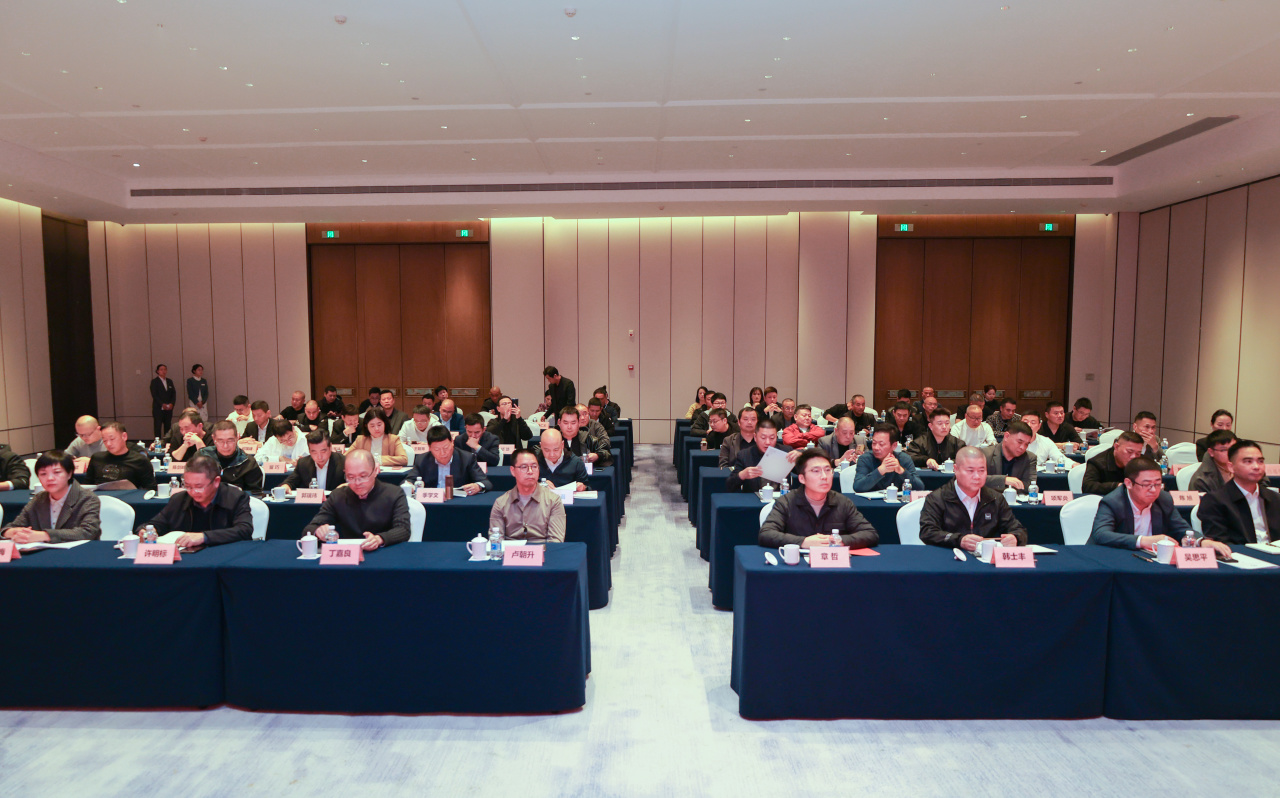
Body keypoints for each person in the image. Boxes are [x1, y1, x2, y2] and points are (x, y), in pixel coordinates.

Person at [758, 449, 879, 549]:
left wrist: (837, 540)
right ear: (802, 478)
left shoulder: (843, 502)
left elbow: (870, 534)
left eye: (827, 470)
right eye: (816, 471)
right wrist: (803, 542)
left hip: (833, 564)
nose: (824, 476)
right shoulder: (786, 502)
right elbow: (766, 534)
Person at [919, 446, 1028, 550]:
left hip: (985, 558)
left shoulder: (995, 499)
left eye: (981, 470)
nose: (977, 476)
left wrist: (1015, 538)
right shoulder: (937, 498)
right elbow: (927, 532)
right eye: (970, 471)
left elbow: (1018, 529)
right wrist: (959, 540)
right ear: (956, 469)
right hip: (949, 556)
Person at [302, 449, 409, 550]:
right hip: (349, 554)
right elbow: (309, 529)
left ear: (375, 470)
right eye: (351, 477)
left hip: (384, 553)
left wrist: (380, 539)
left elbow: (403, 530)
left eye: (363, 476)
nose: (357, 483)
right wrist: (318, 531)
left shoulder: (394, 493)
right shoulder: (338, 496)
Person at [140, 453, 254, 548]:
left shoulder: (235, 497)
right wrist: (145, 531)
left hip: (224, 555)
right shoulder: (179, 499)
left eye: (199, 487)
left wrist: (204, 537)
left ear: (216, 482)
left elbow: (244, 530)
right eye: (188, 486)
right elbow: (156, 524)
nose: (193, 492)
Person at [1087, 456, 1195, 550]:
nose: (1153, 490)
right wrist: (1143, 541)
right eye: (1146, 484)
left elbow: (1182, 529)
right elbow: (1101, 534)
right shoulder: (1112, 502)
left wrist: (1200, 541)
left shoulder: (1164, 499)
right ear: (1129, 483)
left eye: (1158, 484)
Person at [2, 450, 101, 542]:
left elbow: (88, 532)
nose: (50, 478)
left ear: (69, 474)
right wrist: (13, 532)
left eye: (57, 472)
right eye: (43, 474)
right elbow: (12, 526)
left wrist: (44, 535)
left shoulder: (87, 498)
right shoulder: (39, 499)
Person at [1200, 439, 1280, 546]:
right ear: (1231, 467)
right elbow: (1220, 543)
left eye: (1260, 461)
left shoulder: (1274, 498)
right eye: (1248, 461)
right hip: (1241, 554)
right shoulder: (1214, 500)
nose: (1256, 467)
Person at [489, 449, 566, 542]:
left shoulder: (553, 500)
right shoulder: (501, 503)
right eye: (524, 467)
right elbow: (496, 541)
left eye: (534, 466)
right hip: (511, 550)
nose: (530, 471)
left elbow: (556, 541)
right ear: (513, 471)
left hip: (543, 549)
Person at [411, 426, 491, 494]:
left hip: (458, 502)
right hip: (432, 501)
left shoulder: (467, 458)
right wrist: (410, 486)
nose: (442, 453)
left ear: (452, 442)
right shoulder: (422, 459)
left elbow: (486, 482)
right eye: (437, 449)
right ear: (429, 448)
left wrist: (478, 486)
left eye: (446, 448)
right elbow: (410, 480)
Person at [725, 419, 799, 494]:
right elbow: (730, 485)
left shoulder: (786, 452)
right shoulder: (745, 455)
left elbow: (802, 473)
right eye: (763, 438)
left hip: (781, 498)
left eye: (772, 438)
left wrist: (801, 459)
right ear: (755, 437)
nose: (768, 442)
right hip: (754, 499)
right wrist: (742, 475)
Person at [853, 424, 925, 492]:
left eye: (881, 444)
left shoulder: (904, 459)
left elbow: (920, 487)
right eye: (874, 443)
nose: (876, 447)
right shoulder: (865, 459)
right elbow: (857, 487)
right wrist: (880, 470)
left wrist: (901, 471)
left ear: (894, 446)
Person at [85, 422, 156, 490]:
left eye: (112, 439)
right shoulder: (97, 458)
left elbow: (150, 489)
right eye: (104, 440)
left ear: (124, 436)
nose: (108, 444)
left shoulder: (140, 460)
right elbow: (87, 487)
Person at [198, 421, 265, 492]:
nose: (225, 446)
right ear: (214, 439)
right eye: (220, 441)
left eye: (230, 440)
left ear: (237, 438)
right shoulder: (202, 456)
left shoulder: (248, 463)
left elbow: (254, 494)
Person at [1082, 430, 1145, 495]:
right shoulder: (1097, 462)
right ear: (1116, 446)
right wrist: (1117, 486)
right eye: (1130, 451)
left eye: (1138, 453)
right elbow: (1087, 487)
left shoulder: (1141, 462)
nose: (1134, 456)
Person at [979, 420, 1035, 493]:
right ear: (1006, 436)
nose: (1023, 447)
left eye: (1026, 444)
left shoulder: (1029, 458)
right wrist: (1004, 480)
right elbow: (976, 479)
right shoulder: (984, 454)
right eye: (1019, 442)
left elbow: (1030, 486)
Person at [150, 363, 176, 439]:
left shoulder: (169, 381)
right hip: (158, 408)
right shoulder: (154, 381)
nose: (163, 371)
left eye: (165, 369)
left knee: (168, 426)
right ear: (158, 371)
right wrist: (162, 404)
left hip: (169, 408)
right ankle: (157, 442)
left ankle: (166, 441)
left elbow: (173, 393)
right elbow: (154, 395)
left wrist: (172, 403)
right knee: (157, 426)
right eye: (161, 369)